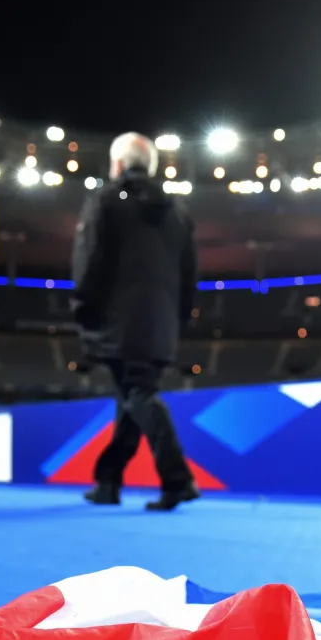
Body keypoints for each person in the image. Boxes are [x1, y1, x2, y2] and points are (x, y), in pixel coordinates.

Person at [71, 132, 200, 511]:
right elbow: (191, 274)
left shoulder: (107, 200)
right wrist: (179, 319)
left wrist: (83, 306)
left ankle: (178, 479)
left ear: (118, 165)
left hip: (119, 320)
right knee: (129, 395)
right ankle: (108, 480)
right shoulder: (178, 212)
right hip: (161, 323)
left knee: (137, 394)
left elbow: (89, 258)